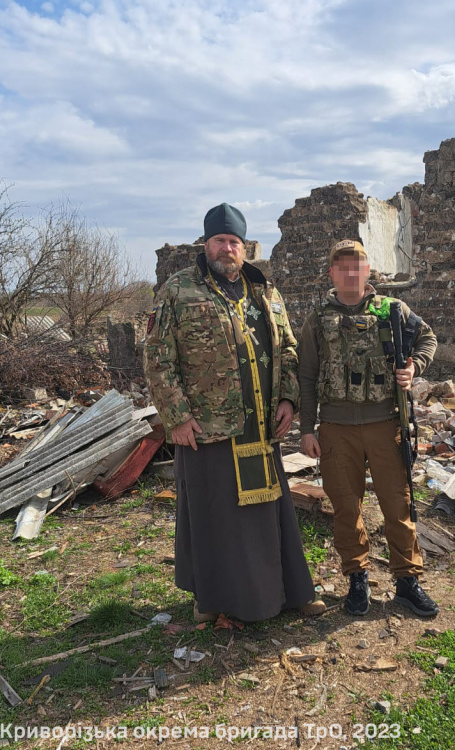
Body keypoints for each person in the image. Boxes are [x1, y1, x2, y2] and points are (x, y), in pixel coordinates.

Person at [144, 203, 325, 623]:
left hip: (261, 427)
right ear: (205, 244)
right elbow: (157, 359)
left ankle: (287, 592)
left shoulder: (265, 292)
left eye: (235, 242)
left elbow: (289, 350)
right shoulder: (178, 290)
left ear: (244, 248)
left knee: (269, 514)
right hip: (207, 428)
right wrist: (177, 417)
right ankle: (211, 600)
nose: (228, 249)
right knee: (213, 516)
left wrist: (288, 400)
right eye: (220, 241)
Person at [299, 239, 439, 617]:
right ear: (332, 272)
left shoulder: (392, 310)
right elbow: (308, 375)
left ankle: (407, 580)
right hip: (335, 427)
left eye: (356, 265)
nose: (349, 272)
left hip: (385, 423)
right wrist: (307, 429)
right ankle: (357, 578)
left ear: (367, 271)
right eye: (342, 266)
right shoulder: (317, 317)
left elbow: (427, 339)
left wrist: (414, 368)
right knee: (346, 506)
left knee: (398, 503)